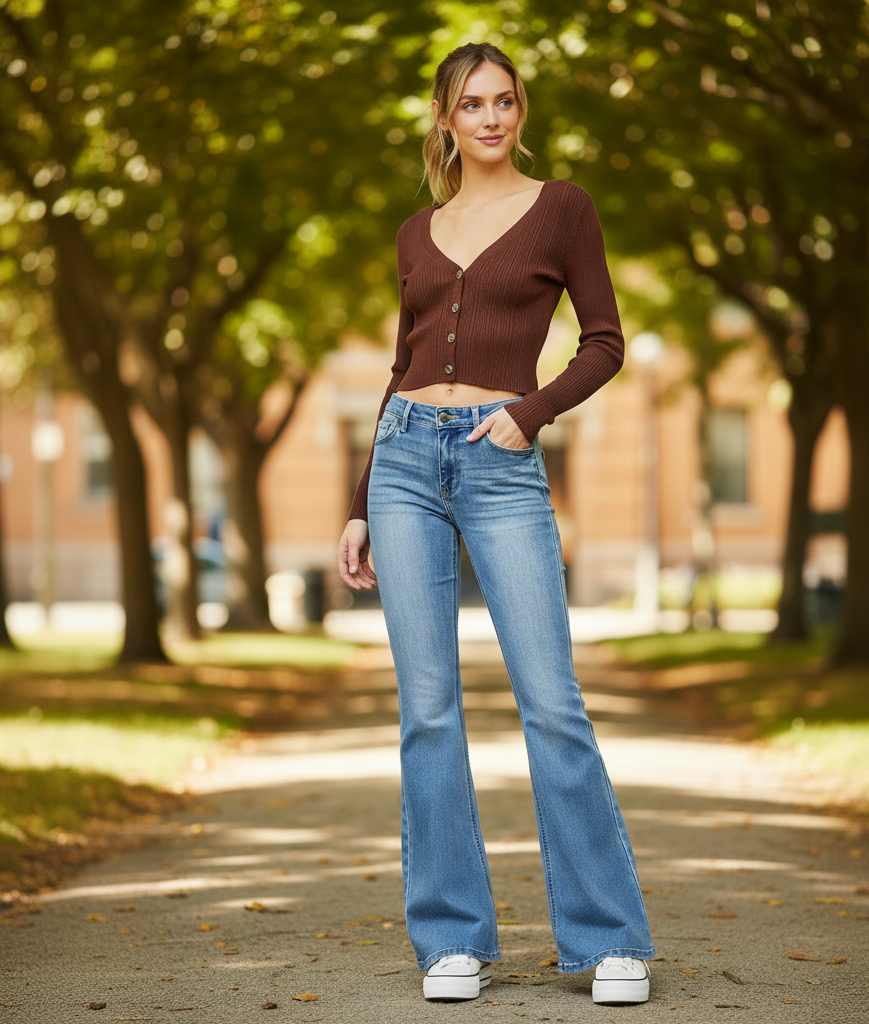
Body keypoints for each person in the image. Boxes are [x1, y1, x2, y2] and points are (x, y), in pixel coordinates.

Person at [336, 42, 655, 1006]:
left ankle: (608, 941)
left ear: (521, 112)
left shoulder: (563, 208)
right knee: (428, 708)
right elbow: (401, 366)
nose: (489, 118)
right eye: (471, 104)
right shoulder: (415, 232)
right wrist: (359, 501)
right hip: (403, 462)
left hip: (501, 460)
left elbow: (605, 342)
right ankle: (451, 940)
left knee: (551, 701)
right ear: (445, 117)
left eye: (504, 102)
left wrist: (531, 412)